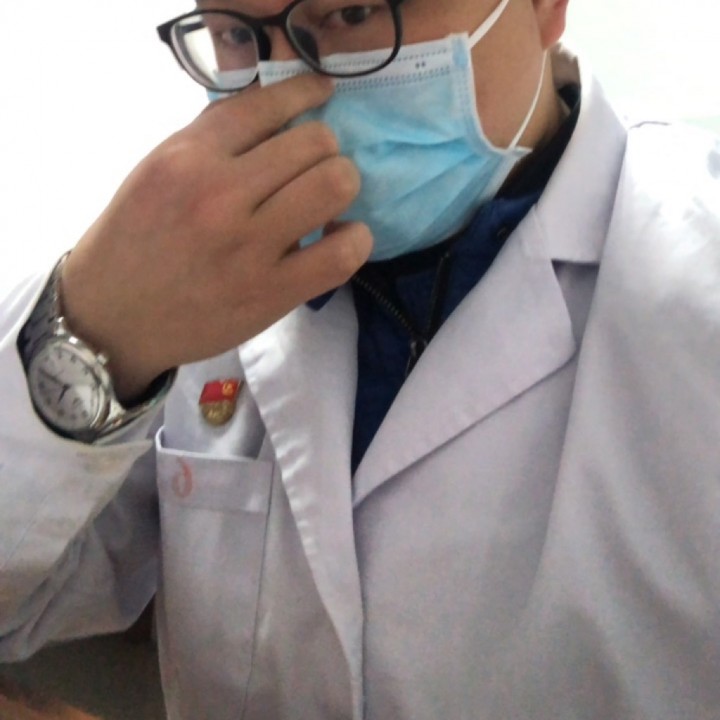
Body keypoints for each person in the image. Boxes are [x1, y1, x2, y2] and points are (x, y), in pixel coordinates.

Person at [1, 0, 719, 718]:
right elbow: (23, 599)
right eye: (237, 35)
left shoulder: (697, 287)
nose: (291, 93)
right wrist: (88, 327)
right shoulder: (193, 268)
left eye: (351, 13)